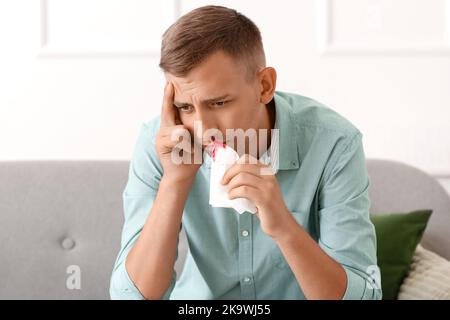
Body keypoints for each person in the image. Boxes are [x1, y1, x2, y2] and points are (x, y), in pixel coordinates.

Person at [109, 5, 382, 300]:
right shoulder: (159, 143)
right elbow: (130, 296)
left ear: (264, 86)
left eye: (218, 103)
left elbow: (364, 296)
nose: (203, 130)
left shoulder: (334, 143)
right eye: (185, 107)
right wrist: (174, 182)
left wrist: (282, 224)